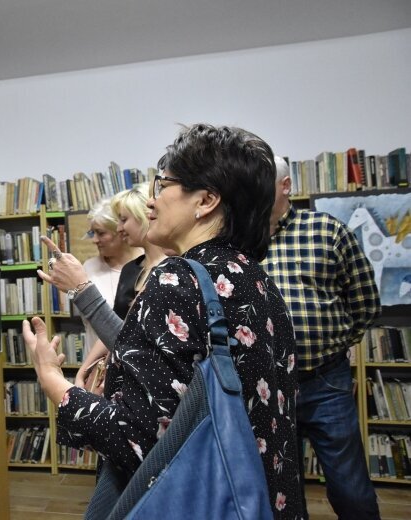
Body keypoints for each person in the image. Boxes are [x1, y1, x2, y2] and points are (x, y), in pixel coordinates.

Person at [24, 123, 301, 518]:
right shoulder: (256, 278)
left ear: (205, 200)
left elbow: (136, 441)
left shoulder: (176, 280)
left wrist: (52, 379)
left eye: (163, 184)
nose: (151, 202)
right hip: (261, 498)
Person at [264, 156, 381, 520]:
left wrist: (330, 346)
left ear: (286, 186)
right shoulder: (238, 240)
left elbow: (364, 301)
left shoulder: (326, 230)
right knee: (280, 488)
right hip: (268, 387)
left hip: (325, 382)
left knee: (350, 487)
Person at [74, 185, 166, 389]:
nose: (119, 228)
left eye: (124, 220)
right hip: (121, 375)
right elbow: (116, 327)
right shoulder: (130, 270)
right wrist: (86, 369)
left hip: (151, 380)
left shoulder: (171, 270)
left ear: (145, 217)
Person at [79, 196, 141, 362]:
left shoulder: (145, 266)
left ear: (120, 231)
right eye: (93, 233)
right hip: (94, 366)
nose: (94, 240)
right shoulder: (89, 268)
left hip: (130, 364)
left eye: (101, 233)